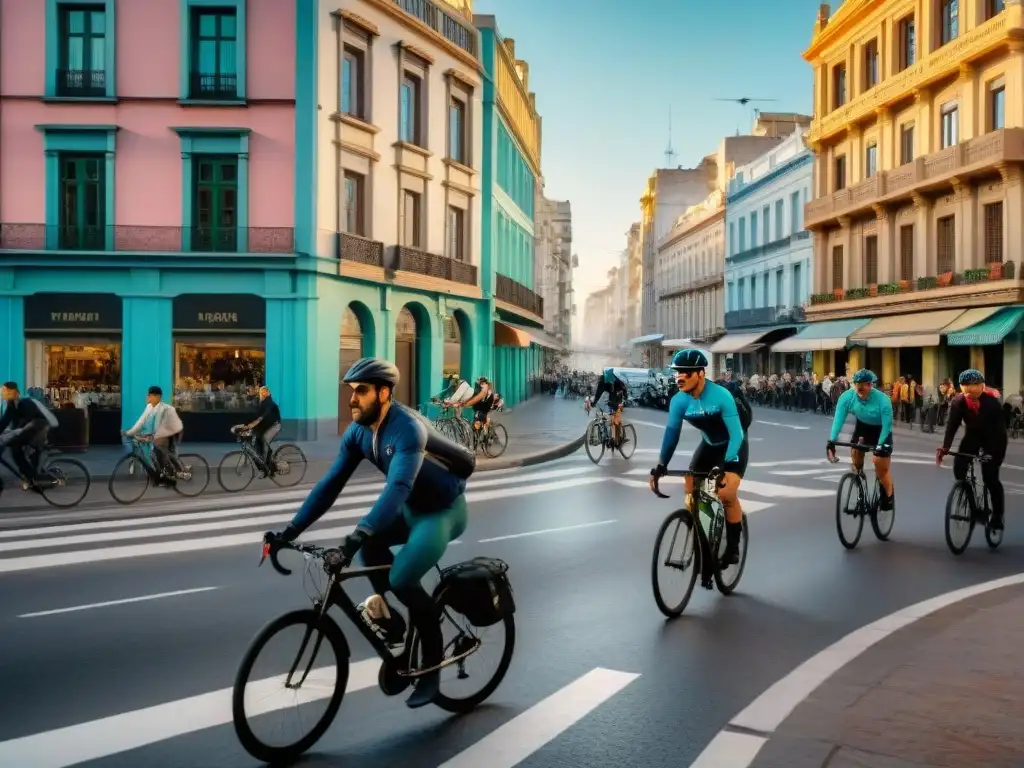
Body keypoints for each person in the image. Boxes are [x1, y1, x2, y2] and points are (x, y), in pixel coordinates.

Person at [268, 358, 475, 709]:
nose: (352, 399)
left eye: (361, 391)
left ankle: (431, 673)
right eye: (351, 391)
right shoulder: (358, 433)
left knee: (403, 576)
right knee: (371, 548)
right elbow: (330, 484)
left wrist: (357, 534)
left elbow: (396, 488)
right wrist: (289, 531)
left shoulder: (408, 430)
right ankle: (393, 623)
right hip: (410, 509)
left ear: (383, 392)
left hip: (441, 512)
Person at [649, 349, 748, 567]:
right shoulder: (678, 401)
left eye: (686, 372)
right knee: (691, 490)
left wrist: (729, 464)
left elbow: (737, 434)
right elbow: (671, 435)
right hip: (710, 445)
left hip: (733, 445)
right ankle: (703, 532)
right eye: (677, 372)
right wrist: (661, 465)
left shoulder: (722, 396)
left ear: (701, 373)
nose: (679, 377)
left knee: (726, 492)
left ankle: (732, 549)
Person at [936, 369, 1006, 530]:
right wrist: (945, 447)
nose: (969, 388)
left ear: (982, 385)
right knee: (959, 469)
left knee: (990, 477)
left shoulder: (992, 403)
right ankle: (972, 505)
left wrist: (991, 452)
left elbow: (998, 429)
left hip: (995, 438)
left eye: (974, 385)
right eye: (965, 385)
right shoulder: (958, 401)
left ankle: (997, 515)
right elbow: (952, 425)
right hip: (973, 435)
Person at [826, 368, 895, 510]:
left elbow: (887, 425)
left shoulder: (883, 400)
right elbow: (839, 419)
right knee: (856, 454)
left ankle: (888, 495)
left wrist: (880, 446)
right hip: (863, 427)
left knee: (879, 464)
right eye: (856, 385)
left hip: (881, 429)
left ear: (871, 385)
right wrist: (831, 441)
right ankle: (858, 480)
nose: (859, 389)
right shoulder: (847, 397)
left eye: (863, 386)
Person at [0, 381, 59, 489]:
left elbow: (30, 421)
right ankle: (31, 476)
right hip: (30, 430)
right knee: (16, 448)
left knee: (15, 447)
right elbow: (3, 422)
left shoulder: (25, 403)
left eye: (4, 391)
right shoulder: (12, 406)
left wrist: (16, 432)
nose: (2, 394)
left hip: (40, 428)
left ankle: (34, 477)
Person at [123, 386, 185, 484]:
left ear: (158, 397)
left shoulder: (163, 409)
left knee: (159, 447)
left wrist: (148, 436)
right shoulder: (149, 406)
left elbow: (159, 426)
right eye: (148, 395)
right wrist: (130, 432)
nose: (148, 398)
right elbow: (141, 422)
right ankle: (164, 471)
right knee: (154, 451)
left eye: (151, 396)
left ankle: (174, 472)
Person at [237, 386, 281, 471]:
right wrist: (246, 425)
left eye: (264, 393)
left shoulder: (269, 403)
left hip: (275, 425)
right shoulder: (261, 403)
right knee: (258, 439)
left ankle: (270, 465)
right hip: (266, 425)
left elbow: (261, 417)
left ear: (267, 394)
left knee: (264, 439)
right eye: (261, 393)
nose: (262, 394)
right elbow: (256, 415)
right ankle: (264, 466)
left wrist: (251, 425)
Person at [591, 367, 629, 446]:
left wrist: (624, 399)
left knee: (616, 418)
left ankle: (621, 436)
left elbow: (623, 390)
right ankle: (608, 437)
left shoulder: (617, 381)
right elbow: (598, 393)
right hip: (610, 396)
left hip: (617, 396)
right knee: (607, 417)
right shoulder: (602, 381)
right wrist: (594, 402)